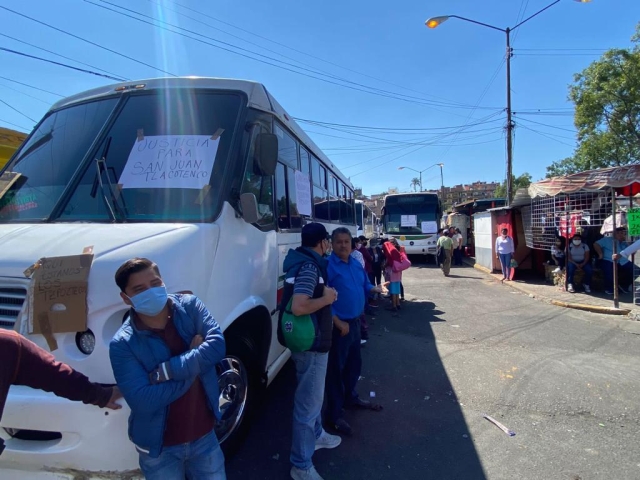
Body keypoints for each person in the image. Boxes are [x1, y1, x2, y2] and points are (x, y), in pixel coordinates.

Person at [110, 258, 227, 480]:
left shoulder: (190, 307)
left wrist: (167, 371)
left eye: (155, 283)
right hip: (159, 451)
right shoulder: (123, 344)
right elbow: (143, 401)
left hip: (204, 437)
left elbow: (217, 346)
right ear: (126, 298)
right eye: (139, 289)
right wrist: (192, 367)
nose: (151, 291)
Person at [279, 223, 341, 480]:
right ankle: (301, 466)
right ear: (322, 243)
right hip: (312, 345)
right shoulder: (309, 267)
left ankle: (317, 436)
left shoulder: (306, 262)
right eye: (327, 241)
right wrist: (327, 299)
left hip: (311, 343)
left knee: (312, 398)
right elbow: (300, 306)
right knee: (307, 405)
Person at [0, 330, 122, 456]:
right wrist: (100, 396)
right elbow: (53, 375)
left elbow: (53, 375)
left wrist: (100, 395)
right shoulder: (7, 343)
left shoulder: (7, 345)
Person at [325, 228, 387, 436]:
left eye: (347, 242)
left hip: (354, 324)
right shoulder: (328, 267)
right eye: (339, 242)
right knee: (335, 370)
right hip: (339, 327)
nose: (344, 245)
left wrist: (374, 289)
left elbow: (365, 284)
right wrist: (336, 321)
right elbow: (324, 300)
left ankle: (350, 398)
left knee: (354, 365)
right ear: (332, 244)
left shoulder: (355, 264)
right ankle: (333, 415)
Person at [594, 227, 632, 295]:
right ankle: (609, 288)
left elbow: (631, 250)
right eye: (618, 233)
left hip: (622, 261)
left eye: (622, 233)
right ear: (614, 234)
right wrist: (600, 254)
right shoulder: (607, 239)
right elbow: (596, 244)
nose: (620, 235)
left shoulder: (625, 242)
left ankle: (624, 286)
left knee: (634, 269)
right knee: (609, 270)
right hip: (608, 260)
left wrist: (626, 241)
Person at [383, 239, 411, 316]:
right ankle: (398, 304)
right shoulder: (398, 249)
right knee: (397, 289)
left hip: (393, 272)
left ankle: (394, 306)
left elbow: (389, 262)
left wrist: (383, 267)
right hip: (398, 271)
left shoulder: (391, 251)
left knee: (393, 290)